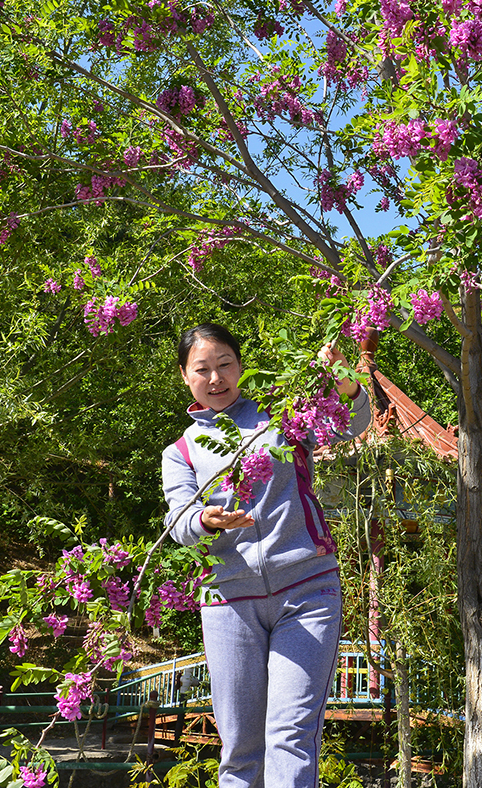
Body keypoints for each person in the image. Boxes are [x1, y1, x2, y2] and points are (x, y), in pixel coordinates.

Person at [161, 323, 371, 788]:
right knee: (239, 748)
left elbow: (352, 423)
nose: (215, 378)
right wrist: (206, 521)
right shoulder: (179, 452)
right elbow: (178, 522)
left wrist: (343, 377)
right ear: (184, 376)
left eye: (225, 365)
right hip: (229, 601)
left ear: (240, 365)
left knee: (291, 734)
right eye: (202, 370)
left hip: (307, 589)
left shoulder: (281, 412)